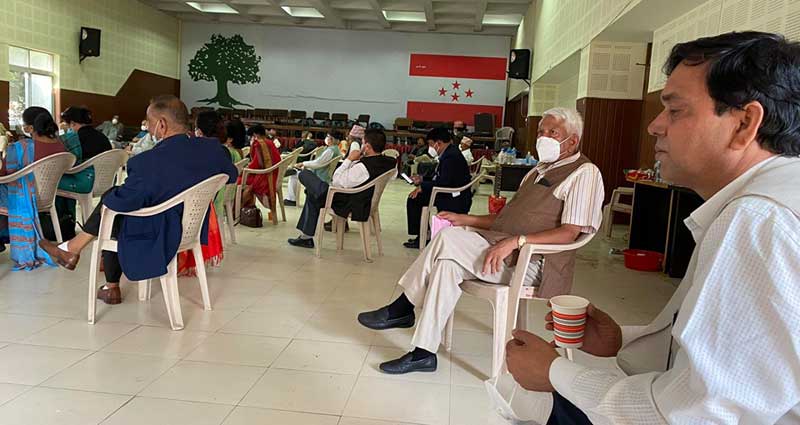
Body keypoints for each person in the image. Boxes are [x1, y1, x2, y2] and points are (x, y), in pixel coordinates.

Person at [496, 31, 800, 425]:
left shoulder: (760, 220)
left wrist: (554, 372)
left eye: (675, 111)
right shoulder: (771, 199)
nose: (654, 126)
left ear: (744, 123)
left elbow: (700, 413)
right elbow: (743, 362)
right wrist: (625, 340)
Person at [357, 107, 604, 374]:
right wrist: (466, 218)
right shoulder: (536, 172)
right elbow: (505, 220)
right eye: (541, 132)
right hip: (503, 250)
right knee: (446, 265)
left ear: (572, 140)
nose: (543, 137)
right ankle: (423, 353)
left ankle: (403, 307)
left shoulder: (585, 173)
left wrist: (516, 242)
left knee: (448, 239)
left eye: (552, 132)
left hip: (536, 263)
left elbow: (569, 233)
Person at [38, 95, 238, 305]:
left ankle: (100, 275)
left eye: (149, 123)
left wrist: (113, 196)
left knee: (112, 207)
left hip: (162, 230)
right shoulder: (212, 149)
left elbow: (125, 202)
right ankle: (77, 255)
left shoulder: (148, 161)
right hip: (192, 228)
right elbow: (231, 175)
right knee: (113, 200)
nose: (149, 128)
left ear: (161, 124)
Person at [287, 128, 396, 249]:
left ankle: (306, 237)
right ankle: (306, 237)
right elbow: (393, 175)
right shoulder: (390, 163)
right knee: (312, 193)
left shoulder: (363, 167)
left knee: (305, 175)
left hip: (347, 202)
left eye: (363, 143)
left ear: (367, 147)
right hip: (363, 199)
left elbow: (337, 181)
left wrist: (349, 160)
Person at [0, 108, 65, 268]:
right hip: (47, 197)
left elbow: (4, 174)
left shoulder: (20, 147)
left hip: (24, 198)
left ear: (30, 127)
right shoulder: (60, 146)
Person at [403, 128, 473, 249]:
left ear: (438, 143)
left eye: (431, 144)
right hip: (451, 192)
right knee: (416, 197)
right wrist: (422, 180)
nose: (430, 148)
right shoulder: (450, 153)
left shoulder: (451, 157)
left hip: (454, 197)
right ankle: (423, 234)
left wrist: (423, 187)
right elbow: (441, 177)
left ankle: (423, 235)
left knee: (414, 199)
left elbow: (444, 182)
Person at [55, 107, 113, 232]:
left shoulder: (73, 138)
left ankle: (62, 225)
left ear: (72, 123)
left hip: (84, 183)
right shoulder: (102, 136)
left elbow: (67, 163)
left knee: (53, 181)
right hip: (105, 183)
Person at [285, 133, 341, 206]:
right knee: (296, 171)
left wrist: (303, 164)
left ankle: (291, 199)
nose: (326, 138)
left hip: (320, 176)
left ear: (332, 139)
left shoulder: (330, 150)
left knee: (294, 175)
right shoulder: (336, 149)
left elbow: (318, 163)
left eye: (328, 136)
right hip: (323, 173)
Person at [239, 124, 281, 217]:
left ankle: (237, 210)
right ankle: (247, 207)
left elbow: (258, 163)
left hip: (264, 176)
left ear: (255, 134)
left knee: (239, 181)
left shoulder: (258, 144)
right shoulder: (269, 142)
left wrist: (245, 169)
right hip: (273, 173)